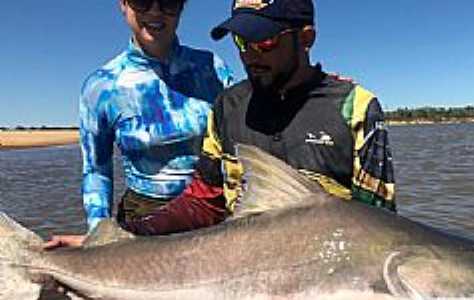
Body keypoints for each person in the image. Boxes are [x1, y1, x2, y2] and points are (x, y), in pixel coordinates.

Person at [113, 0, 396, 235]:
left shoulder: (356, 108)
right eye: (242, 41)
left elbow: (378, 227)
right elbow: (205, 202)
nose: (249, 55)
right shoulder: (228, 105)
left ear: (306, 38)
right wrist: (131, 235)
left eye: (265, 41)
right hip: (241, 270)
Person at [43, 0, 234, 248]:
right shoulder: (102, 86)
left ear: (182, 7)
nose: (155, 12)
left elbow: (241, 142)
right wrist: (98, 235)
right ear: (123, 4)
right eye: (142, 1)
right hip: (145, 214)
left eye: (168, 3)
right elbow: (97, 171)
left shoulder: (212, 68)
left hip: (212, 206)